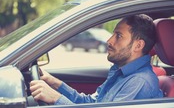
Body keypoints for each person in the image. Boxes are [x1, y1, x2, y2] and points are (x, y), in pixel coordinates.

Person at [30, 14, 163, 105]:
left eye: (118, 36)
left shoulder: (139, 82)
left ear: (138, 45)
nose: (109, 41)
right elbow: (92, 103)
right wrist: (54, 83)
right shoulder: (121, 72)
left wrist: (55, 98)